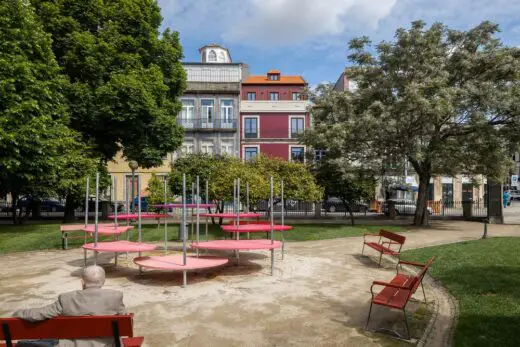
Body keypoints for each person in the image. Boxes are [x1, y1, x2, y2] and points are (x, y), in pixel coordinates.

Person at [13, 265, 126, 347]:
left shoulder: (66, 298)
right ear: (103, 281)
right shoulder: (115, 297)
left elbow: (39, 314)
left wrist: (18, 313)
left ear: (82, 282)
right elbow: (124, 319)